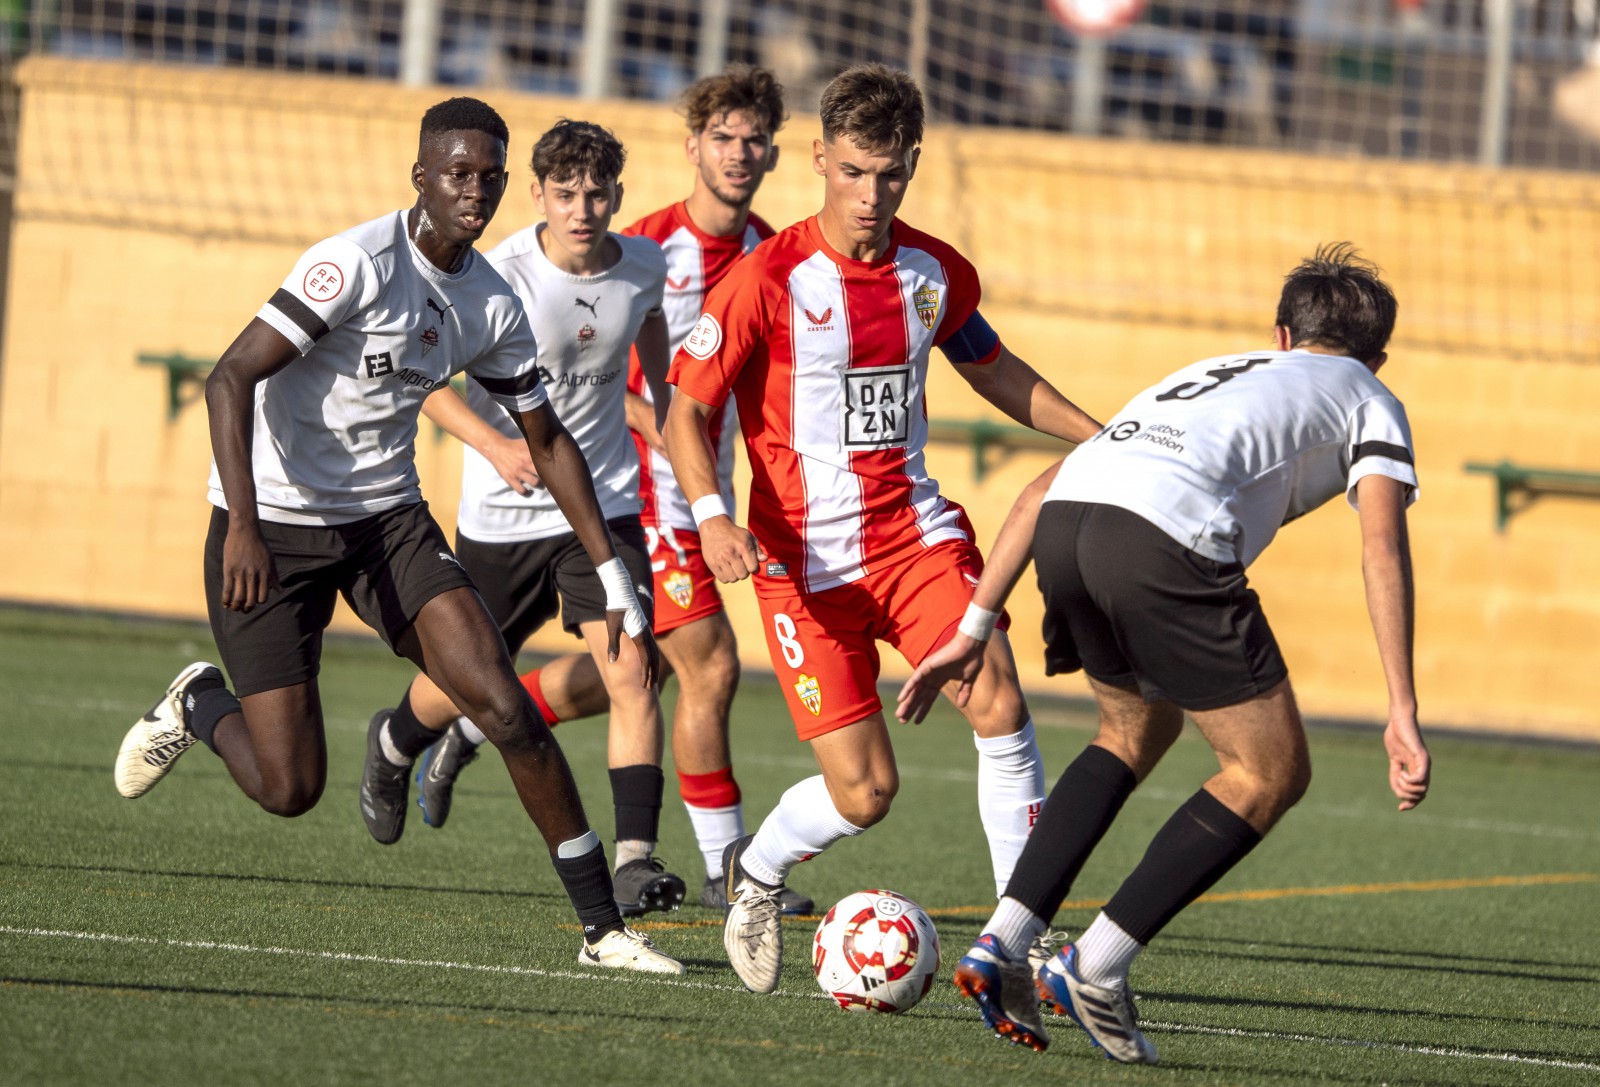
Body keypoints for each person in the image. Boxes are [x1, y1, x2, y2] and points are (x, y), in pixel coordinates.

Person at [113, 97, 681, 975]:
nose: (475, 192)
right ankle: (198, 702)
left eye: (489, 177)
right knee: (288, 787)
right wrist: (244, 528)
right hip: (272, 523)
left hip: (387, 522)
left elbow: (549, 439)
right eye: (459, 173)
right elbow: (231, 378)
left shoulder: (490, 301)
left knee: (504, 707)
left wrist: (612, 576)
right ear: (422, 176)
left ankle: (603, 929)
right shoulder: (355, 263)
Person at [899, 243, 1431, 1059]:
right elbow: (1383, 547)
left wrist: (971, 626)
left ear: (1282, 335)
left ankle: (1001, 940)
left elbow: (1045, 487)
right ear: (1378, 357)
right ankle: (1097, 966)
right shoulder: (1371, 394)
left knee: (1134, 731)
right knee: (1270, 770)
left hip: (1071, 524)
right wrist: (1402, 708)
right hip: (1160, 544)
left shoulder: (1216, 371)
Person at [663, 62, 1104, 994]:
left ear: (912, 165)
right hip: (800, 568)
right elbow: (683, 415)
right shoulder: (764, 278)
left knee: (997, 700)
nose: (871, 196)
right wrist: (709, 518)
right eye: (853, 172)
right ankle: (758, 870)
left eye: (891, 174)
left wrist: (1106, 437)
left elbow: (993, 369)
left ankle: (1013, 941)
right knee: (866, 794)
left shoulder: (933, 273)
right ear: (820, 158)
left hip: (914, 539)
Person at [410, 67, 813, 916]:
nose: (739, 155)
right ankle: (728, 870)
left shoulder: (773, 251)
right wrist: (671, 443)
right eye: (723, 139)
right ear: (692, 147)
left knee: (641, 676)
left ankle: (481, 732)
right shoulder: (645, 244)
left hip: (683, 491)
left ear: (776, 151)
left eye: (753, 141)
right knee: (703, 663)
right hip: (638, 493)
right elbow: (620, 379)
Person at [355, 118, 694, 918]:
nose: (583, 208)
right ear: (536, 193)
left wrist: (677, 435)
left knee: (634, 668)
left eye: (598, 192)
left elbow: (653, 358)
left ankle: (636, 861)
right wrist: (496, 445)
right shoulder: (493, 273)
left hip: (601, 504)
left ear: (617, 195)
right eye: (565, 193)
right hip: (502, 516)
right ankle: (396, 741)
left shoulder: (646, 267)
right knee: (470, 680)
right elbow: (424, 381)